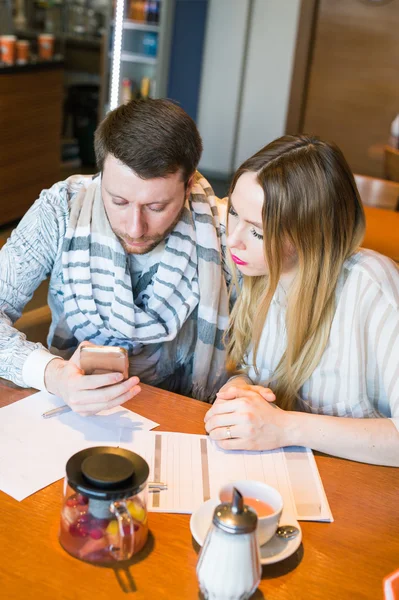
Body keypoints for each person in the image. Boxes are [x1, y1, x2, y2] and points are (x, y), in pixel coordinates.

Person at [0, 99, 229, 414]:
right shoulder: (61, 209)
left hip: (183, 412)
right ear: (100, 176)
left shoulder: (225, 231)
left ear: (188, 185)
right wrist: (54, 374)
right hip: (71, 408)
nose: (135, 227)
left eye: (156, 206)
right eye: (118, 201)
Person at [204, 135, 399, 467]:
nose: (233, 239)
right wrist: (241, 389)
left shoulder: (371, 287)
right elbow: (252, 371)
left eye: (257, 231)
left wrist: (285, 427)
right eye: (234, 212)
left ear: (310, 234)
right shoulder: (259, 275)